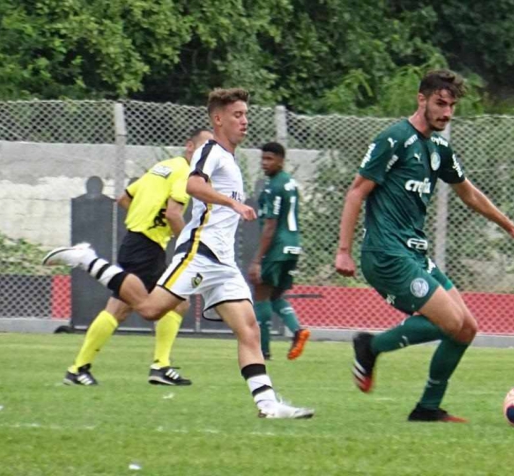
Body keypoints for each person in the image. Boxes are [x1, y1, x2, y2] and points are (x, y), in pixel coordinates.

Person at [45, 88, 314, 419]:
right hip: (199, 253)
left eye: (246, 114)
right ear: (218, 119)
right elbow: (193, 186)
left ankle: (268, 406)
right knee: (148, 309)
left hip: (223, 263)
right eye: (237, 115)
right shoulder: (210, 151)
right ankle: (86, 258)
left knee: (250, 330)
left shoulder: (230, 159)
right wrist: (233, 203)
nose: (245, 121)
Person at [334, 69, 514, 422]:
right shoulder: (394, 139)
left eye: (451, 106)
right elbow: (356, 191)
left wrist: (512, 228)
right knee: (449, 320)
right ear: (422, 99)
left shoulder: (439, 148)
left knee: (466, 328)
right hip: (385, 253)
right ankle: (371, 346)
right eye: (440, 104)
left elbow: (469, 193)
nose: (446, 112)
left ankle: (428, 407)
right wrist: (343, 250)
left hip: (414, 253)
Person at [62, 128, 213, 387]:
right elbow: (174, 214)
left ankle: (79, 369)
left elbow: (124, 199)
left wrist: (144, 220)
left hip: (136, 242)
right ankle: (159, 366)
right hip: (146, 247)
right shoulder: (186, 173)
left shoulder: (163, 166)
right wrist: (188, 246)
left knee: (121, 309)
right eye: (205, 148)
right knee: (175, 302)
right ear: (190, 147)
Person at [247, 142, 310, 361]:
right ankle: (298, 331)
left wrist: (257, 260)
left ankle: (262, 350)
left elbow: (270, 226)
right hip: (293, 245)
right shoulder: (290, 183)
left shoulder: (274, 186)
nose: (265, 163)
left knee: (261, 293)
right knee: (276, 296)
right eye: (263, 159)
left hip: (278, 246)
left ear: (281, 160)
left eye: (270, 159)